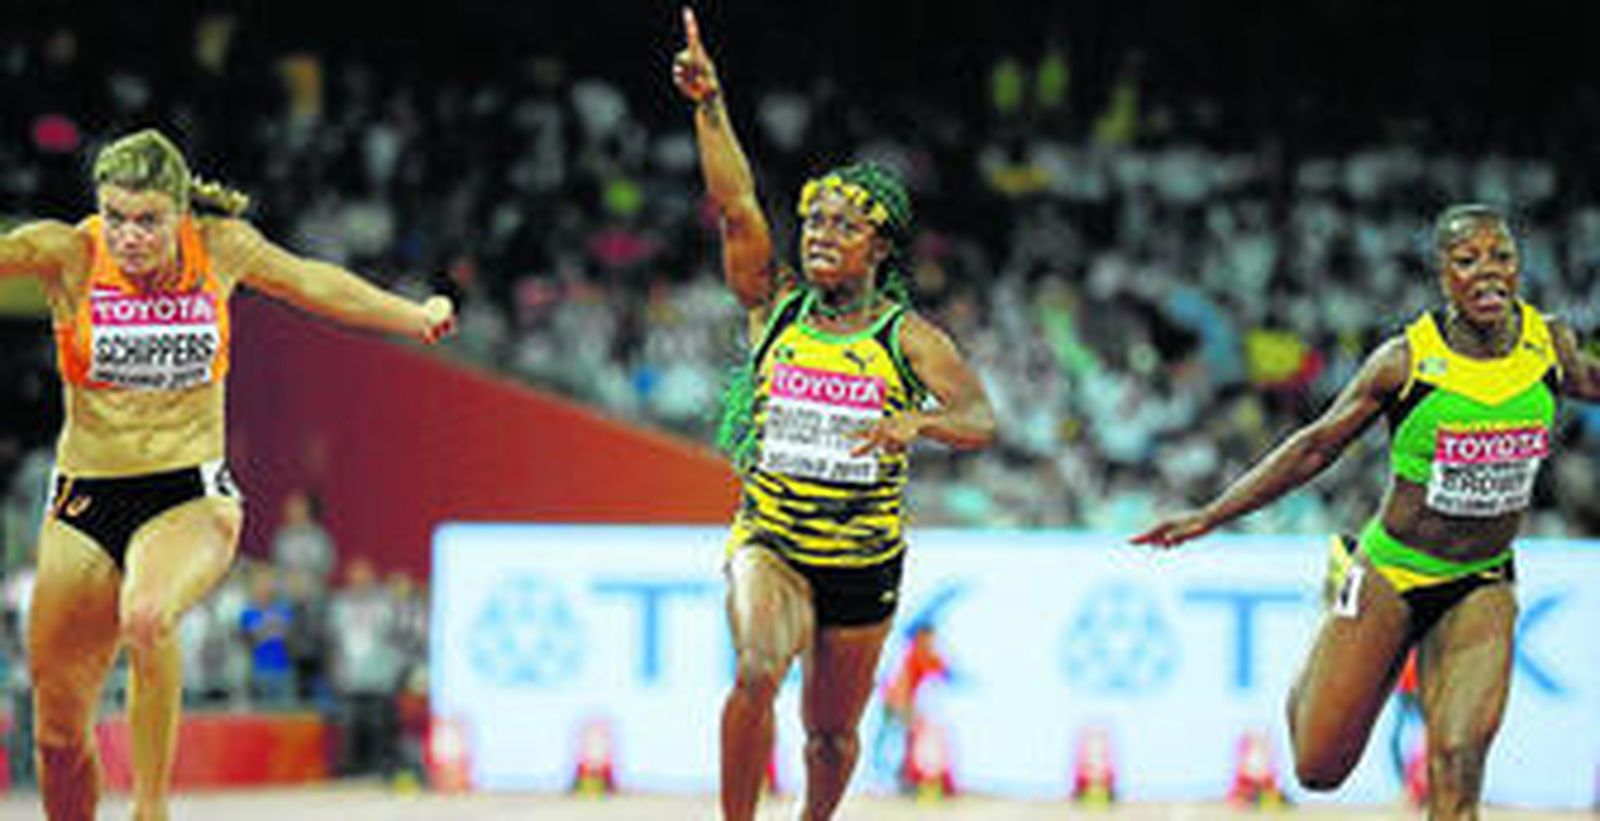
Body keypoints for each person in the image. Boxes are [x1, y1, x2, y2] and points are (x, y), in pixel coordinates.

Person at [3, 127, 453, 821]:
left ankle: (151, 810)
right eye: (116, 217)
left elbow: (312, 281)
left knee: (148, 618)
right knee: (58, 738)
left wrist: (413, 313)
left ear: (181, 210)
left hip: (188, 494)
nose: (128, 237)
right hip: (84, 501)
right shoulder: (67, 253)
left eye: (147, 220)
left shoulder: (220, 249)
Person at [1131, 204, 1600, 819]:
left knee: (1458, 763)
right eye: (1468, 260)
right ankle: (1340, 584)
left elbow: (1590, 381)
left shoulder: (1549, 342)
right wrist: (1211, 515)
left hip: (1481, 578)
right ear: (1442, 273)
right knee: (1318, 768)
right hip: (1391, 572)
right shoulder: (1405, 361)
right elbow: (1316, 446)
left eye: (1502, 256)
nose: (1488, 272)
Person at [672, 10, 997, 820]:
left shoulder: (909, 339)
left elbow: (980, 418)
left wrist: (915, 424)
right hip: (772, 539)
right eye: (815, 219)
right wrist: (709, 105)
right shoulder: (775, 309)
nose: (820, 233)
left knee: (830, 735)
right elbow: (738, 204)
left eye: (844, 225)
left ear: (879, 248)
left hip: (863, 560)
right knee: (754, 670)